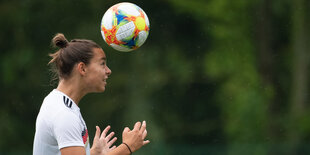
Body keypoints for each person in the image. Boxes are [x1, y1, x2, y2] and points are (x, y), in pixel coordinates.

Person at [33, 33, 150, 155]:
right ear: (82, 68)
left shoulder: (60, 103)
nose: (108, 71)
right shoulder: (63, 114)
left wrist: (93, 152)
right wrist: (127, 147)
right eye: (102, 64)